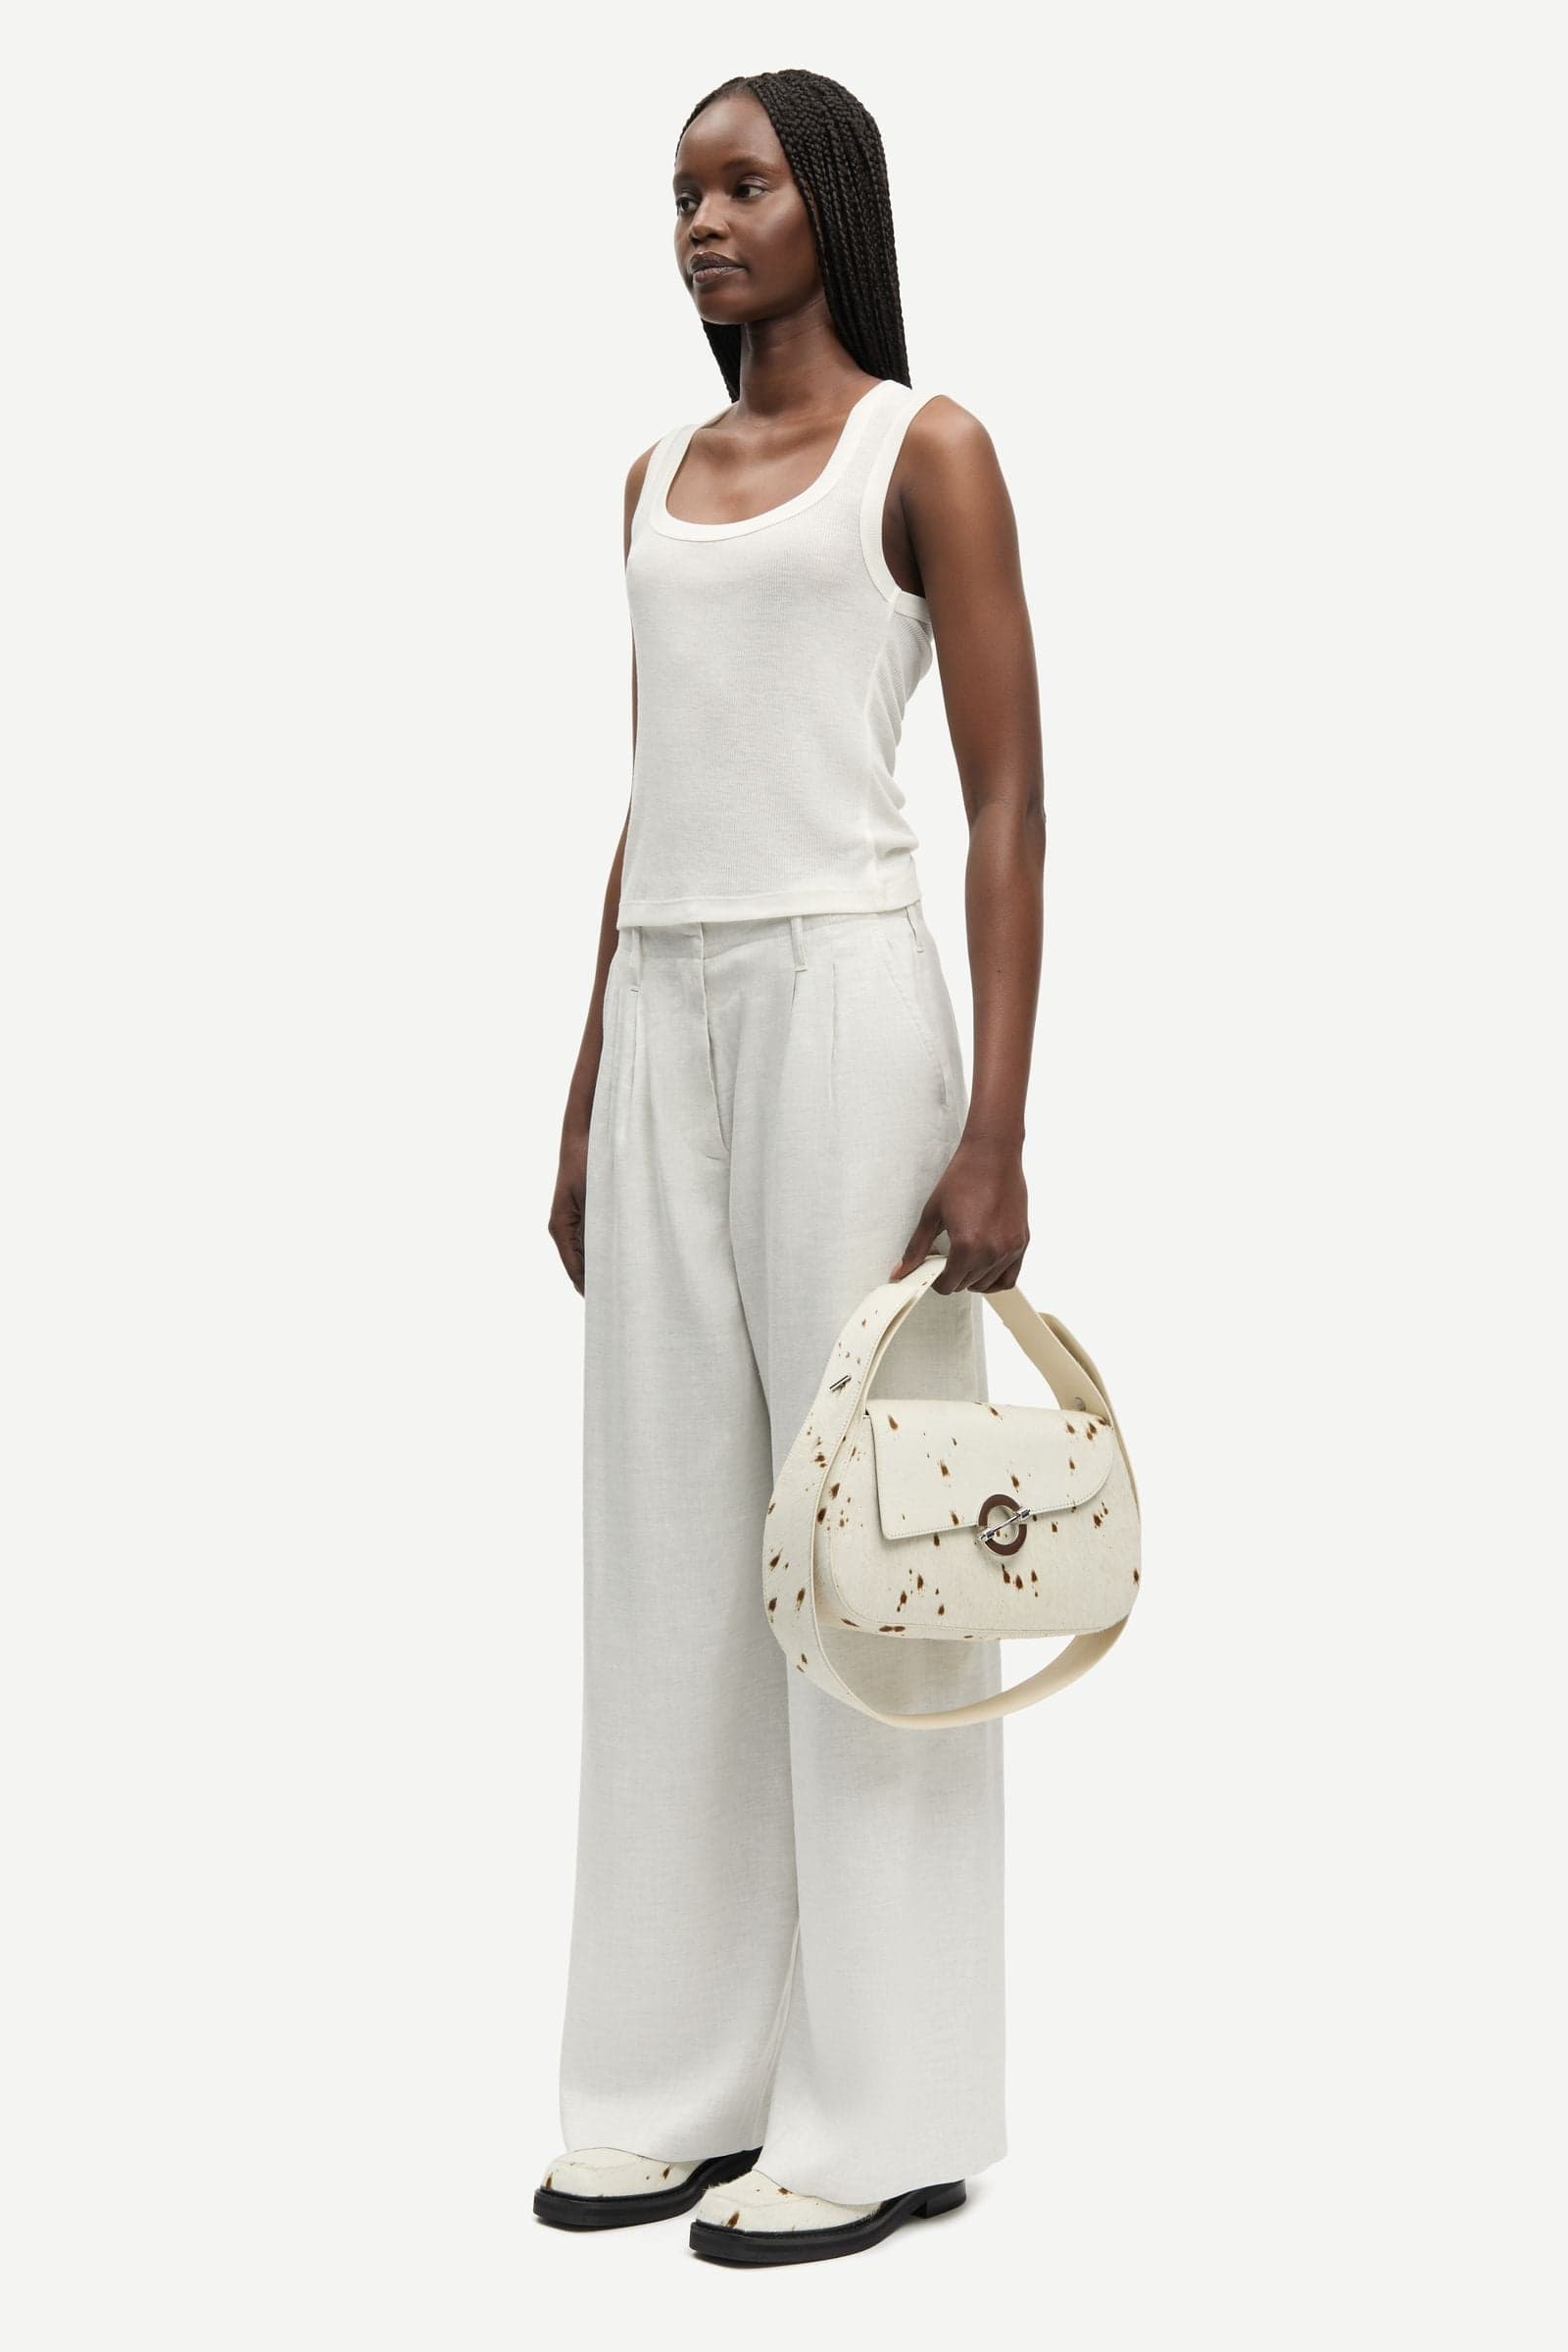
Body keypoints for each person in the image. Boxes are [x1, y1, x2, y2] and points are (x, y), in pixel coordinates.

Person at [536, 68, 1045, 2269]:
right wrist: (585, 1081)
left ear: (829, 198)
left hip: (847, 1005)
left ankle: (891, 2107)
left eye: (740, 183)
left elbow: (1009, 801)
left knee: (870, 1562)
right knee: (665, 1559)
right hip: (668, 1009)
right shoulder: (647, 484)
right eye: (680, 193)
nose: (702, 222)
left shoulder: (924, 452)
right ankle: (674, 2084)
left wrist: (995, 1124)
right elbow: (656, 792)